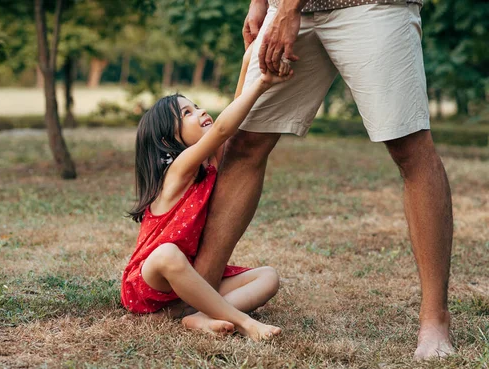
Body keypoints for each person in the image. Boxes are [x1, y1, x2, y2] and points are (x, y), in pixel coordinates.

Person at [192, 0, 454, 359]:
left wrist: (287, 9)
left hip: (369, 6)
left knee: (409, 145)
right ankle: (197, 295)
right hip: (287, 7)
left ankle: (434, 320)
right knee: (245, 142)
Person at [120, 48, 292, 341]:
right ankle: (243, 322)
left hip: (191, 279)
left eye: (196, 106)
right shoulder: (178, 170)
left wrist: (246, 62)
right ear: (167, 139)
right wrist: (261, 83)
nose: (200, 112)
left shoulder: (210, 165)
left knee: (268, 277)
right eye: (187, 113)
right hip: (153, 279)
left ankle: (197, 316)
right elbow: (225, 128)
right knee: (167, 253)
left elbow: (231, 124)